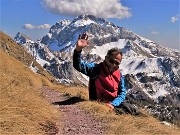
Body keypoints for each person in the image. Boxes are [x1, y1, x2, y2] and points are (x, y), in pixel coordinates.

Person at [73, 32, 126, 110]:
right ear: (106, 58)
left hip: (114, 105)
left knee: (133, 111)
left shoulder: (119, 74)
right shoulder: (95, 69)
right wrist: (78, 50)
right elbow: (78, 66)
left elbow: (122, 93)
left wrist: (113, 104)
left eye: (117, 63)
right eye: (111, 61)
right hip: (99, 105)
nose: (114, 65)